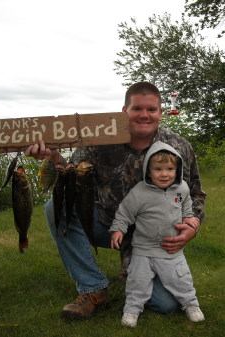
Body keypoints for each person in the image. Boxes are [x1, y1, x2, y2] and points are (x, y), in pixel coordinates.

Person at [24, 81, 206, 320]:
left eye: (151, 110)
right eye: (137, 109)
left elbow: (195, 193)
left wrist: (193, 226)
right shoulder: (100, 139)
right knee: (55, 207)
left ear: (160, 113)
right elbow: (70, 174)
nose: (144, 115)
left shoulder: (178, 146)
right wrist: (53, 156)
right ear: (124, 111)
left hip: (154, 237)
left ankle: (132, 269)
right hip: (107, 225)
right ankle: (93, 289)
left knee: (166, 304)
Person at [110, 141, 204, 327]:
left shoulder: (182, 188)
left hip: (170, 249)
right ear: (148, 170)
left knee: (181, 279)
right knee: (138, 282)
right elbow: (124, 212)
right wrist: (118, 229)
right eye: (158, 169)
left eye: (169, 169)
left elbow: (185, 205)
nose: (164, 174)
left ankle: (190, 304)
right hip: (143, 249)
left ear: (176, 170)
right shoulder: (139, 192)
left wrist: (188, 218)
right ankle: (131, 310)